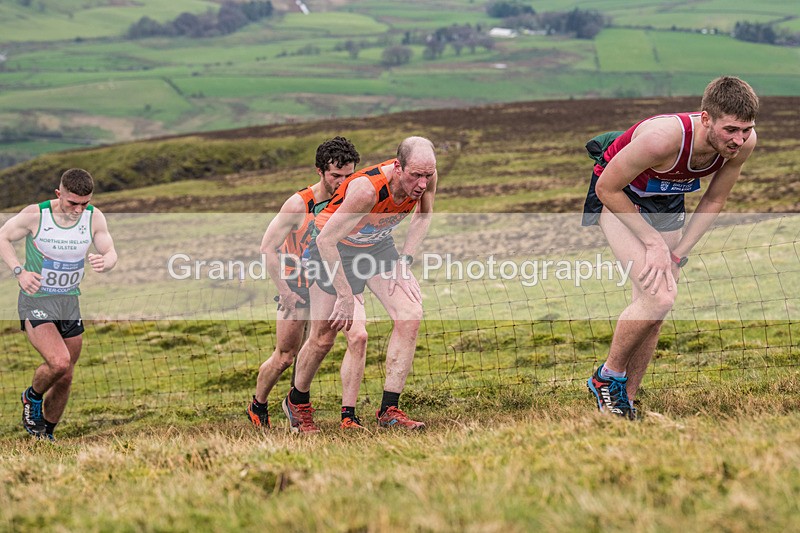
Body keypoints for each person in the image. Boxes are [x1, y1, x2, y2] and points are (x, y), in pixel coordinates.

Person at [581, 76, 759, 418]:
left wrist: (678, 254)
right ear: (706, 118)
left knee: (655, 305)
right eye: (731, 130)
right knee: (659, 296)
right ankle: (607, 378)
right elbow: (607, 189)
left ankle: (624, 403)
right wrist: (652, 243)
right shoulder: (663, 140)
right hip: (618, 196)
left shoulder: (745, 143)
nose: (739, 140)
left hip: (665, 201)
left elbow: (715, 198)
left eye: (746, 130)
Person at [282, 136, 437, 433]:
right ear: (398, 166)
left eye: (427, 175)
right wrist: (345, 294)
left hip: (376, 247)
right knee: (323, 338)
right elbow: (327, 240)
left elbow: (424, 215)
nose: (422, 183)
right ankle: (296, 399)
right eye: (415, 175)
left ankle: (389, 410)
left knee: (410, 314)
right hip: (333, 249)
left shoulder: (427, 175)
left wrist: (404, 261)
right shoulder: (367, 191)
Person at [246, 137, 370, 430]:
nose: (342, 182)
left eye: (348, 175)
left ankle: (323, 411)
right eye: (335, 176)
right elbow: (267, 248)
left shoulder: (355, 199)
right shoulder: (298, 204)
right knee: (285, 356)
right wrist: (284, 291)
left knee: (342, 339)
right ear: (319, 171)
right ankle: (258, 405)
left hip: (330, 282)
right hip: (297, 285)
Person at [0, 168, 118, 440]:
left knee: (65, 376)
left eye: (84, 203)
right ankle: (32, 397)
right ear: (59, 194)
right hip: (36, 300)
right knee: (59, 362)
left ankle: (45, 435)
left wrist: (106, 262)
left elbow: (109, 250)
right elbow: (3, 237)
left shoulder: (93, 217)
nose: (78, 209)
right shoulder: (36, 214)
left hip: (68, 302)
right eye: (72, 203)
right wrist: (20, 271)